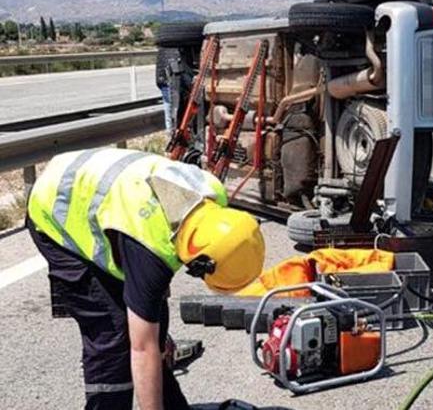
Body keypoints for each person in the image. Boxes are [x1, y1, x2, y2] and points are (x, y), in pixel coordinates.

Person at [26, 148, 266, 408]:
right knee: (112, 333)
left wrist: (156, 339)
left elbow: (149, 318)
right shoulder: (150, 247)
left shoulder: (212, 196)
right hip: (55, 207)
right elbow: (142, 348)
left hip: (96, 183)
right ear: (199, 263)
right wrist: (152, 342)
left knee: (151, 324)